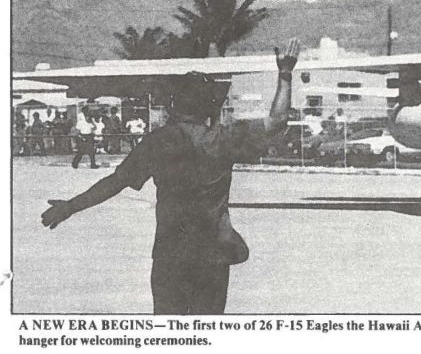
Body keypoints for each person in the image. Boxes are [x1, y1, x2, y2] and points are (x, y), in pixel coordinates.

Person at [41, 39, 299, 314]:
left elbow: (114, 183)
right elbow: (277, 121)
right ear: (208, 106)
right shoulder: (224, 139)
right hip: (212, 258)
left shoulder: (157, 142)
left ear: (175, 106)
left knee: (166, 335)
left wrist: (70, 206)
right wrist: (285, 73)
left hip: (170, 256)